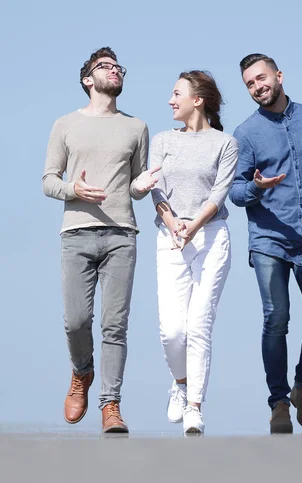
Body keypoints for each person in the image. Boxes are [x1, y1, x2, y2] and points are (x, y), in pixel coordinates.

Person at [42, 47, 159, 433]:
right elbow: (48, 181)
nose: (114, 71)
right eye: (104, 67)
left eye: (117, 67)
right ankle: (82, 373)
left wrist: (142, 186)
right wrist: (73, 188)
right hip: (75, 233)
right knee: (76, 321)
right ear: (87, 80)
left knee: (115, 325)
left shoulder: (136, 127)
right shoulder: (65, 124)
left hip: (122, 234)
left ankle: (111, 405)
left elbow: (138, 183)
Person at [229, 54, 302, 434]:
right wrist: (256, 186)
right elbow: (235, 192)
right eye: (250, 84)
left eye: (261, 78)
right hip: (269, 240)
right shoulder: (245, 134)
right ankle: (278, 403)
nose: (258, 87)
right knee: (276, 319)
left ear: (279, 75)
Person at [150, 70, 238, 435]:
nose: (171, 100)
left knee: (199, 323)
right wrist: (174, 226)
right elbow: (156, 190)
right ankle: (181, 383)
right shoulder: (162, 140)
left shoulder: (225, 143)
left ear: (197, 99)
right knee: (172, 331)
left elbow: (219, 194)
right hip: (170, 237)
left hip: (211, 236)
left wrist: (194, 226)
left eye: (176, 94)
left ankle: (195, 407)